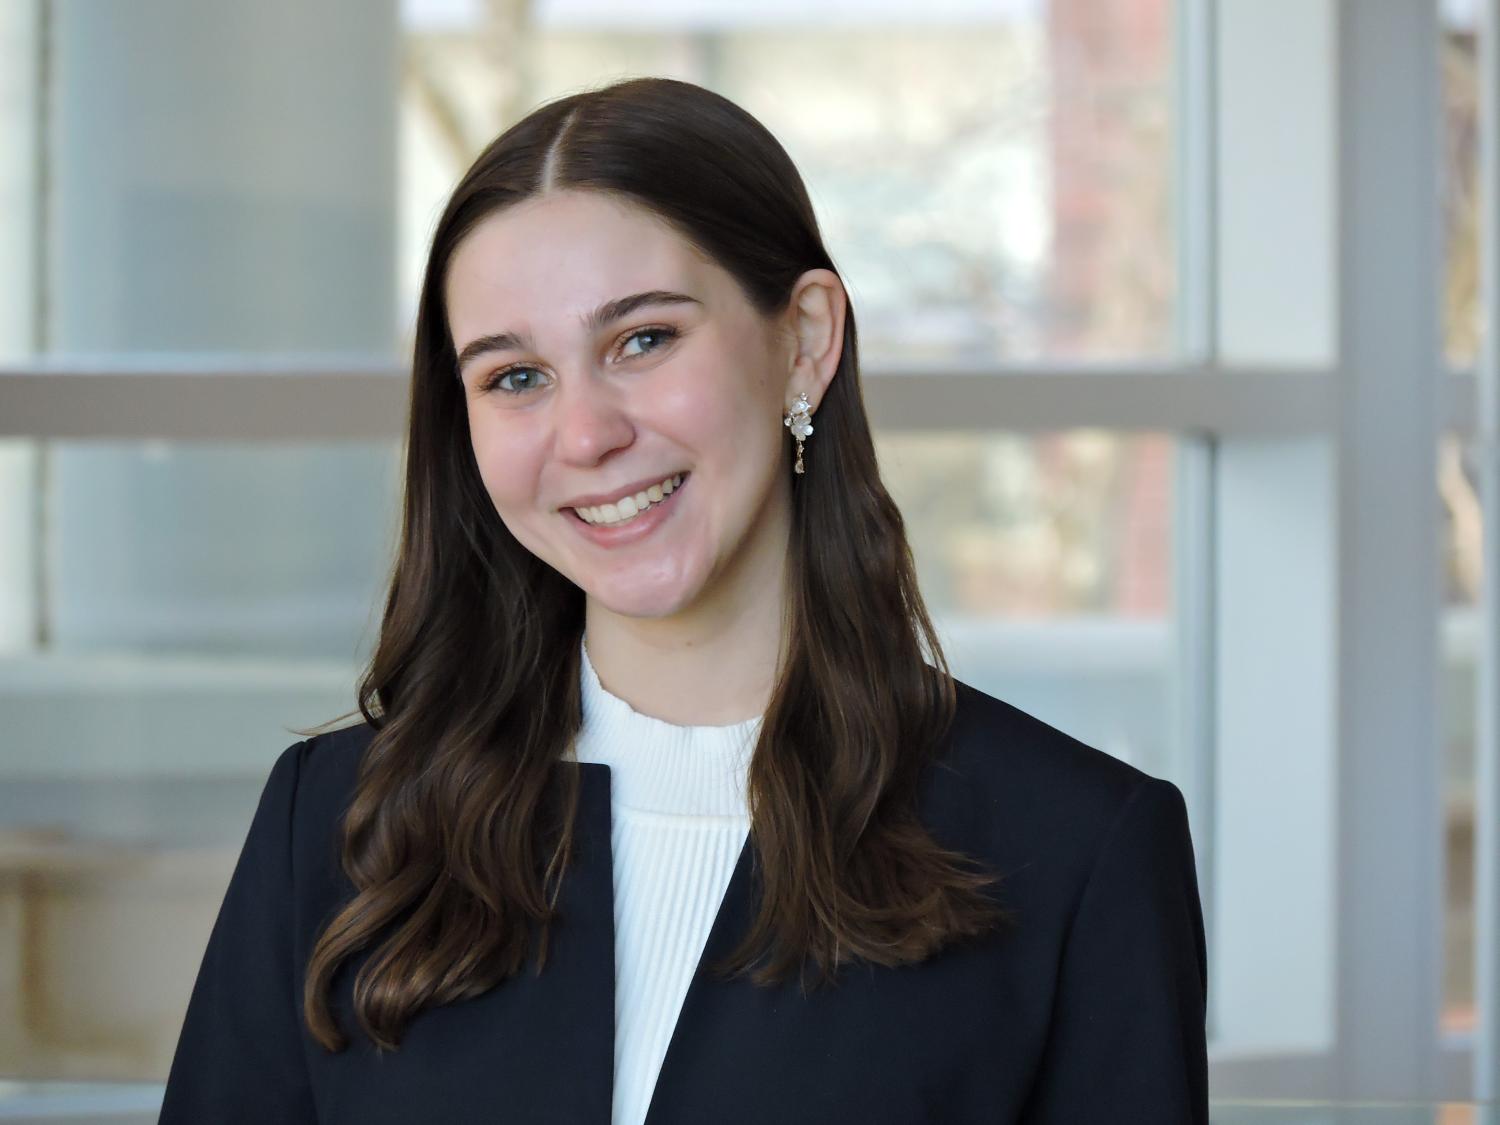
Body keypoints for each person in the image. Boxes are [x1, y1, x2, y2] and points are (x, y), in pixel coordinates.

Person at [158, 76, 1208, 1124]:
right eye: (515, 377)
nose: (585, 437)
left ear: (804, 341)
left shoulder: (1076, 855)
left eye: (643, 340)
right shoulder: (339, 823)